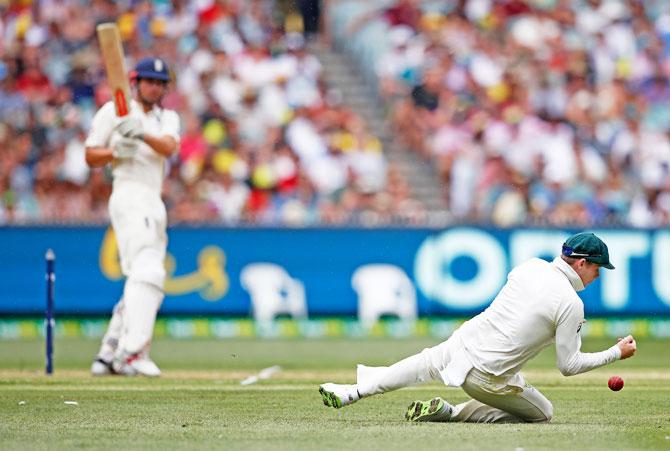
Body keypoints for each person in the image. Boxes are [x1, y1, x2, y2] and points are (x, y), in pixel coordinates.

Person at [319, 232, 637, 423]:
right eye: (597, 268)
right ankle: (453, 413)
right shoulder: (571, 303)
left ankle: (351, 391)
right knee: (544, 413)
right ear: (581, 263)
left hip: (465, 341)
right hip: (486, 377)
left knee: (422, 363)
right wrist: (615, 353)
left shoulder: (530, 266)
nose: (598, 276)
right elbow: (568, 365)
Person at [85, 57, 180, 376]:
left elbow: (168, 147)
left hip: (154, 198)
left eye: (160, 82)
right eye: (149, 81)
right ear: (136, 82)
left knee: (141, 278)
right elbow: (90, 154)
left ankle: (108, 352)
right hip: (128, 194)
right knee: (150, 270)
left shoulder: (167, 117)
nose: (154, 87)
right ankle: (132, 352)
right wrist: (116, 152)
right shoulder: (113, 111)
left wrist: (139, 134)